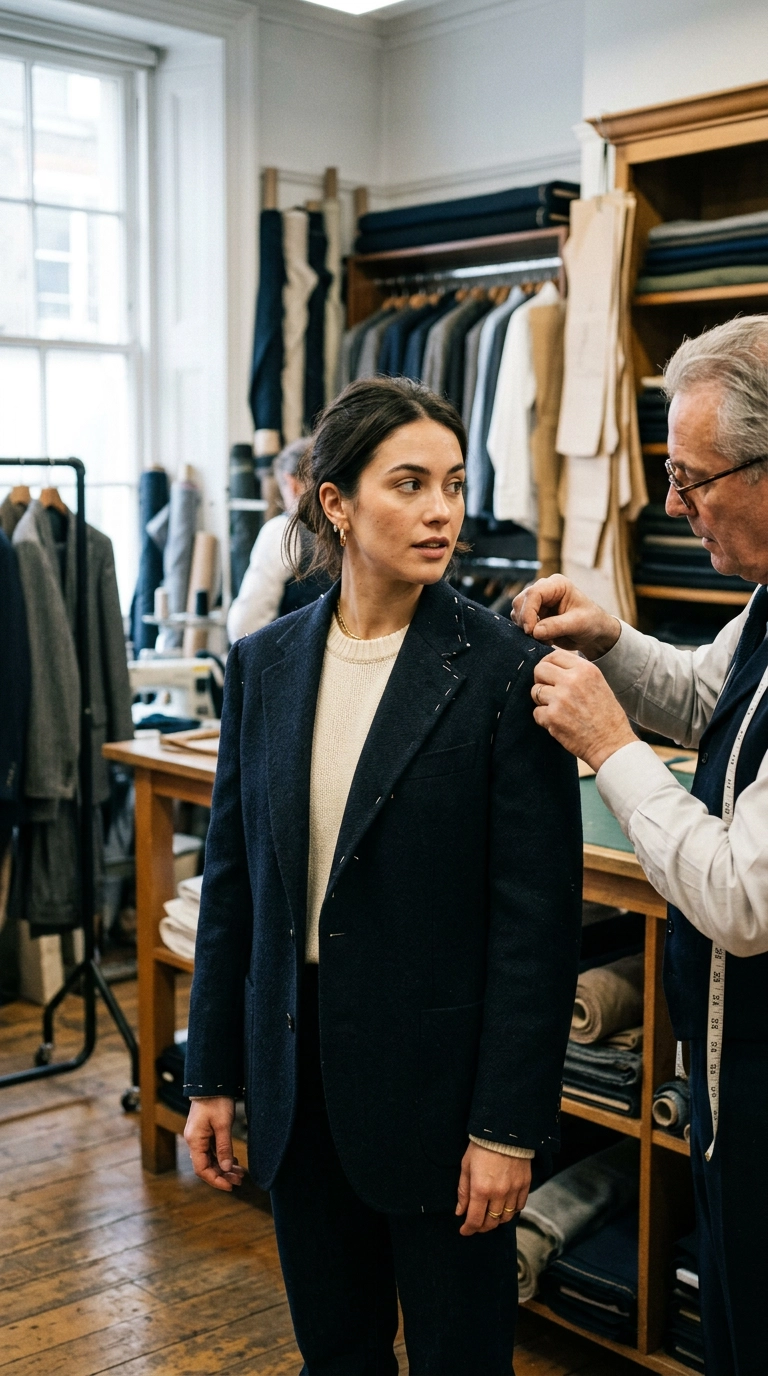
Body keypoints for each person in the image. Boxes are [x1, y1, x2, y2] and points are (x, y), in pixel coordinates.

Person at [184, 376, 582, 1375]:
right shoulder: (268, 663)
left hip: (443, 1100)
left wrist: (506, 1124)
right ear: (336, 501)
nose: (442, 508)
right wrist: (214, 1076)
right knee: (338, 1353)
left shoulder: (500, 668)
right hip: (298, 1077)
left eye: (451, 482)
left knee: (461, 1358)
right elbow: (235, 884)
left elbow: (533, 924)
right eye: (408, 483)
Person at [514, 314, 768, 1376]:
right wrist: (609, 640)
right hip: (733, 1071)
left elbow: (741, 895)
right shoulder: (766, 601)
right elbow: (711, 693)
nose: (675, 506)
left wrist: (608, 742)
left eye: (693, 479)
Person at [227, 438, 330, 641]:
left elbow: (245, 627)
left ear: (292, 484)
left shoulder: (282, 532)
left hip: (300, 662)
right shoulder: (356, 527)